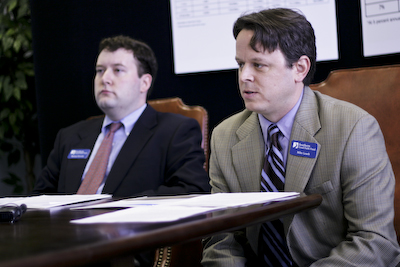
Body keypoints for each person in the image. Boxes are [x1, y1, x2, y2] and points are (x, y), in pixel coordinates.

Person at [202, 8, 400, 267]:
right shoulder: (224, 136)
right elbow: (221, 239)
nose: (244, 76)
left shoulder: (353, 128)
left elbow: (375, 241)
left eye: (258, 64)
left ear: (299, 68)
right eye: (241, 64)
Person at [32, 35, 210, 198]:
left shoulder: (175, 132)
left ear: (144, 82)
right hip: (64, 230)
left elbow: (192, 191)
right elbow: (40, 198)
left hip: (132, 230)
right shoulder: (69, 137)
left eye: (118, 70)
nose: (105, 79)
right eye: (100, 70)